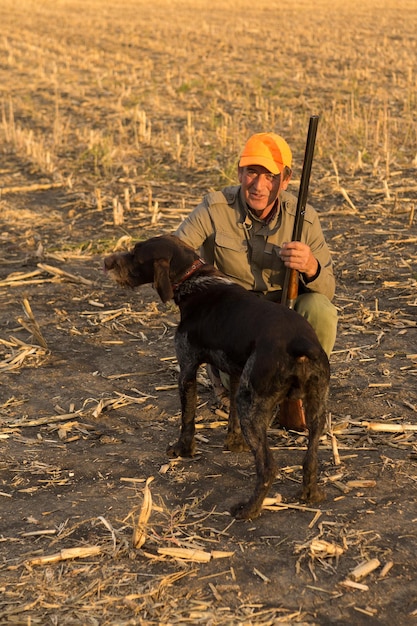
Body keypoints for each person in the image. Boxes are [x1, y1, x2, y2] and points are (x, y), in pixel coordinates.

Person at [174, 131, 337, 429]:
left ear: (285, 180)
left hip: (279, 321)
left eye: (269, 176)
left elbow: (328, 291)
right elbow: (177, 252)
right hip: (235, 327)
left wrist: (310, 266)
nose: (258, 186)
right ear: (239, 172)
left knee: (320, 309)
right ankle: (226, 379)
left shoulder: (305, 218)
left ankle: (298, 391)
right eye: (251, 172)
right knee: (248, 389)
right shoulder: (214, 207)